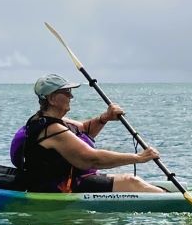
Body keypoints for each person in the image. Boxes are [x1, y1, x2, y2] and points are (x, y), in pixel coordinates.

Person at [15, 73, 166, 194]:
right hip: (58, 188)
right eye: (66, 92)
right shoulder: (52, 130)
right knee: (131, 182)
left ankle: (166, 194)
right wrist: (138, 158)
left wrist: (104, 118)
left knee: (134, 181)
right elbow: (91, 159)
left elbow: (84, 129)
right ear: (52, 99)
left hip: (71, 179)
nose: (71, 96)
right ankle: (174, 202)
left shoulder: (48, 120)